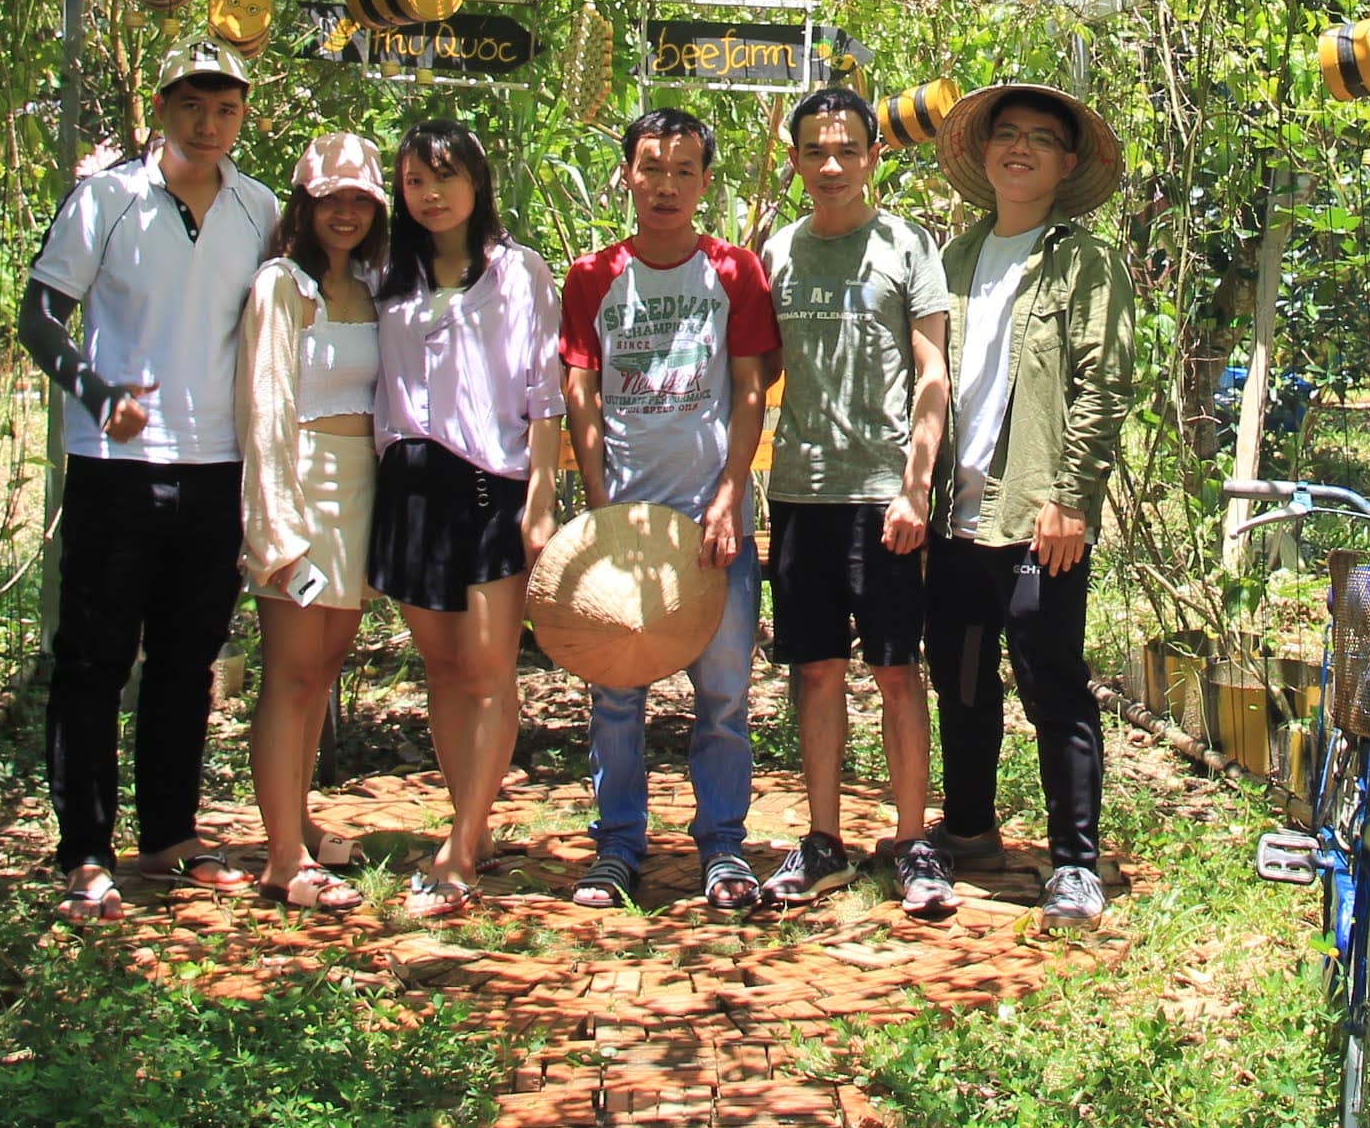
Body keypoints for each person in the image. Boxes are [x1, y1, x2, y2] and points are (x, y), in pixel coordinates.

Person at [18, 42, 282, 923]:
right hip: (115, 467)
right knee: (92, 663)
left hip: (218, 465)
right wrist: (97, 394)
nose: (208, 126)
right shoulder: (106, 201)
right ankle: (85, 852)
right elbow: (40, 315)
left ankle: (169, 835)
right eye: (192, 107)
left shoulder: (259, 209)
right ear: (162, 108)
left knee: (187, 662)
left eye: (226, 110)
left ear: (243, 117)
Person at [556, 107, 781, 913]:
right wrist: (600, 508)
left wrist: (728, 495)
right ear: (627, 174)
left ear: (705, 183)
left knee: (723, 696)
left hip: (711, 525)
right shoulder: (593, 276)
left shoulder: (733, 271)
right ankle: (618, 844)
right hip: (626, 522)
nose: (666, 185)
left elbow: (750, 388)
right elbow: (580, 390)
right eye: (651, 167)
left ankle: (723, 845)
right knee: (616, 694)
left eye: (684, 170)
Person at [925, 82, 1136, 929]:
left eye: (1040, 139)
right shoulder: (953, 261)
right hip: (955, 513)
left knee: (1052, 683)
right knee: (961, 677)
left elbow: (1104, 382)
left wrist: (1070, 497)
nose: (1020, 149)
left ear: (1066, 162)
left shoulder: (1084, 263)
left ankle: (1075, 862)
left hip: (1038, 513)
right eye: (1006, 134)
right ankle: (970, 828)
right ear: (983, 153)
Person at [757, 87, 954, 917]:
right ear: (795, 159)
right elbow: (757, 372)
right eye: (815, 151)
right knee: (816, 671)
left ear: (874, 155)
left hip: (885, 498)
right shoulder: (778, 252)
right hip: (800, 494)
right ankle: (823, 841)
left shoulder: (907, 245)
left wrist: (915, 487)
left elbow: (933, 373)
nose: (831, 165)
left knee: (898, 670)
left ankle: (912, 842)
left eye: (846, 150)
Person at [369, 118, 567, 919]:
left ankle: (459, 848)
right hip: (410, 487)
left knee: (488, 670)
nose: (431, 194)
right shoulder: (386, 272)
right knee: (444, 668)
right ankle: (469, 823)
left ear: (477, 183)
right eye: (415, 180)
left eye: (445, 176)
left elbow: (545, 392)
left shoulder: (519, 272)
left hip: (491, 488)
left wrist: (541, 497)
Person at [234, 133, 391, 911]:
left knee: (323, 670)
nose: (346, 213)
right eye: (332, 199)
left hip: (361, 489)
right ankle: (282, 859)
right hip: (301, 486)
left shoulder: (371, 284)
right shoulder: (281, 285)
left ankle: (295, 823)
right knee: (291, 675)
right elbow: (264, 407)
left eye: (361, 199)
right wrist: (275, 527)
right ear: (304, 204)